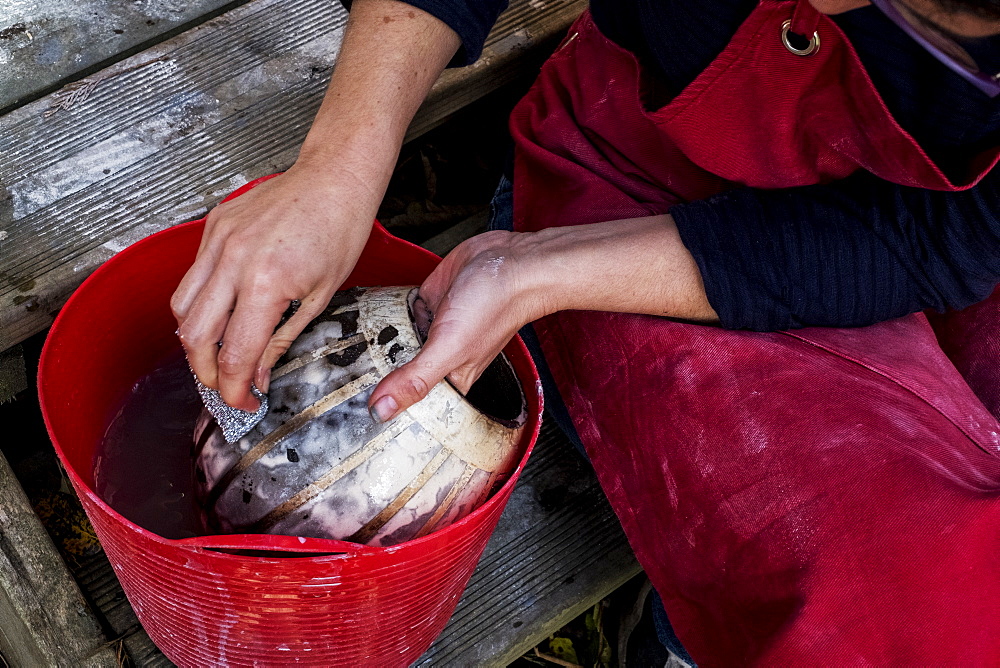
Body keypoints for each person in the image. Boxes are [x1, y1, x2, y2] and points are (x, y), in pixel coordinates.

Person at [171, 0, 1000, 663]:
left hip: (902, 230)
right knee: (891, 597)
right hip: (641, 172)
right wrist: (340, 166)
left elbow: (945, 239)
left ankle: (689, 642)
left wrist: (540, 272)